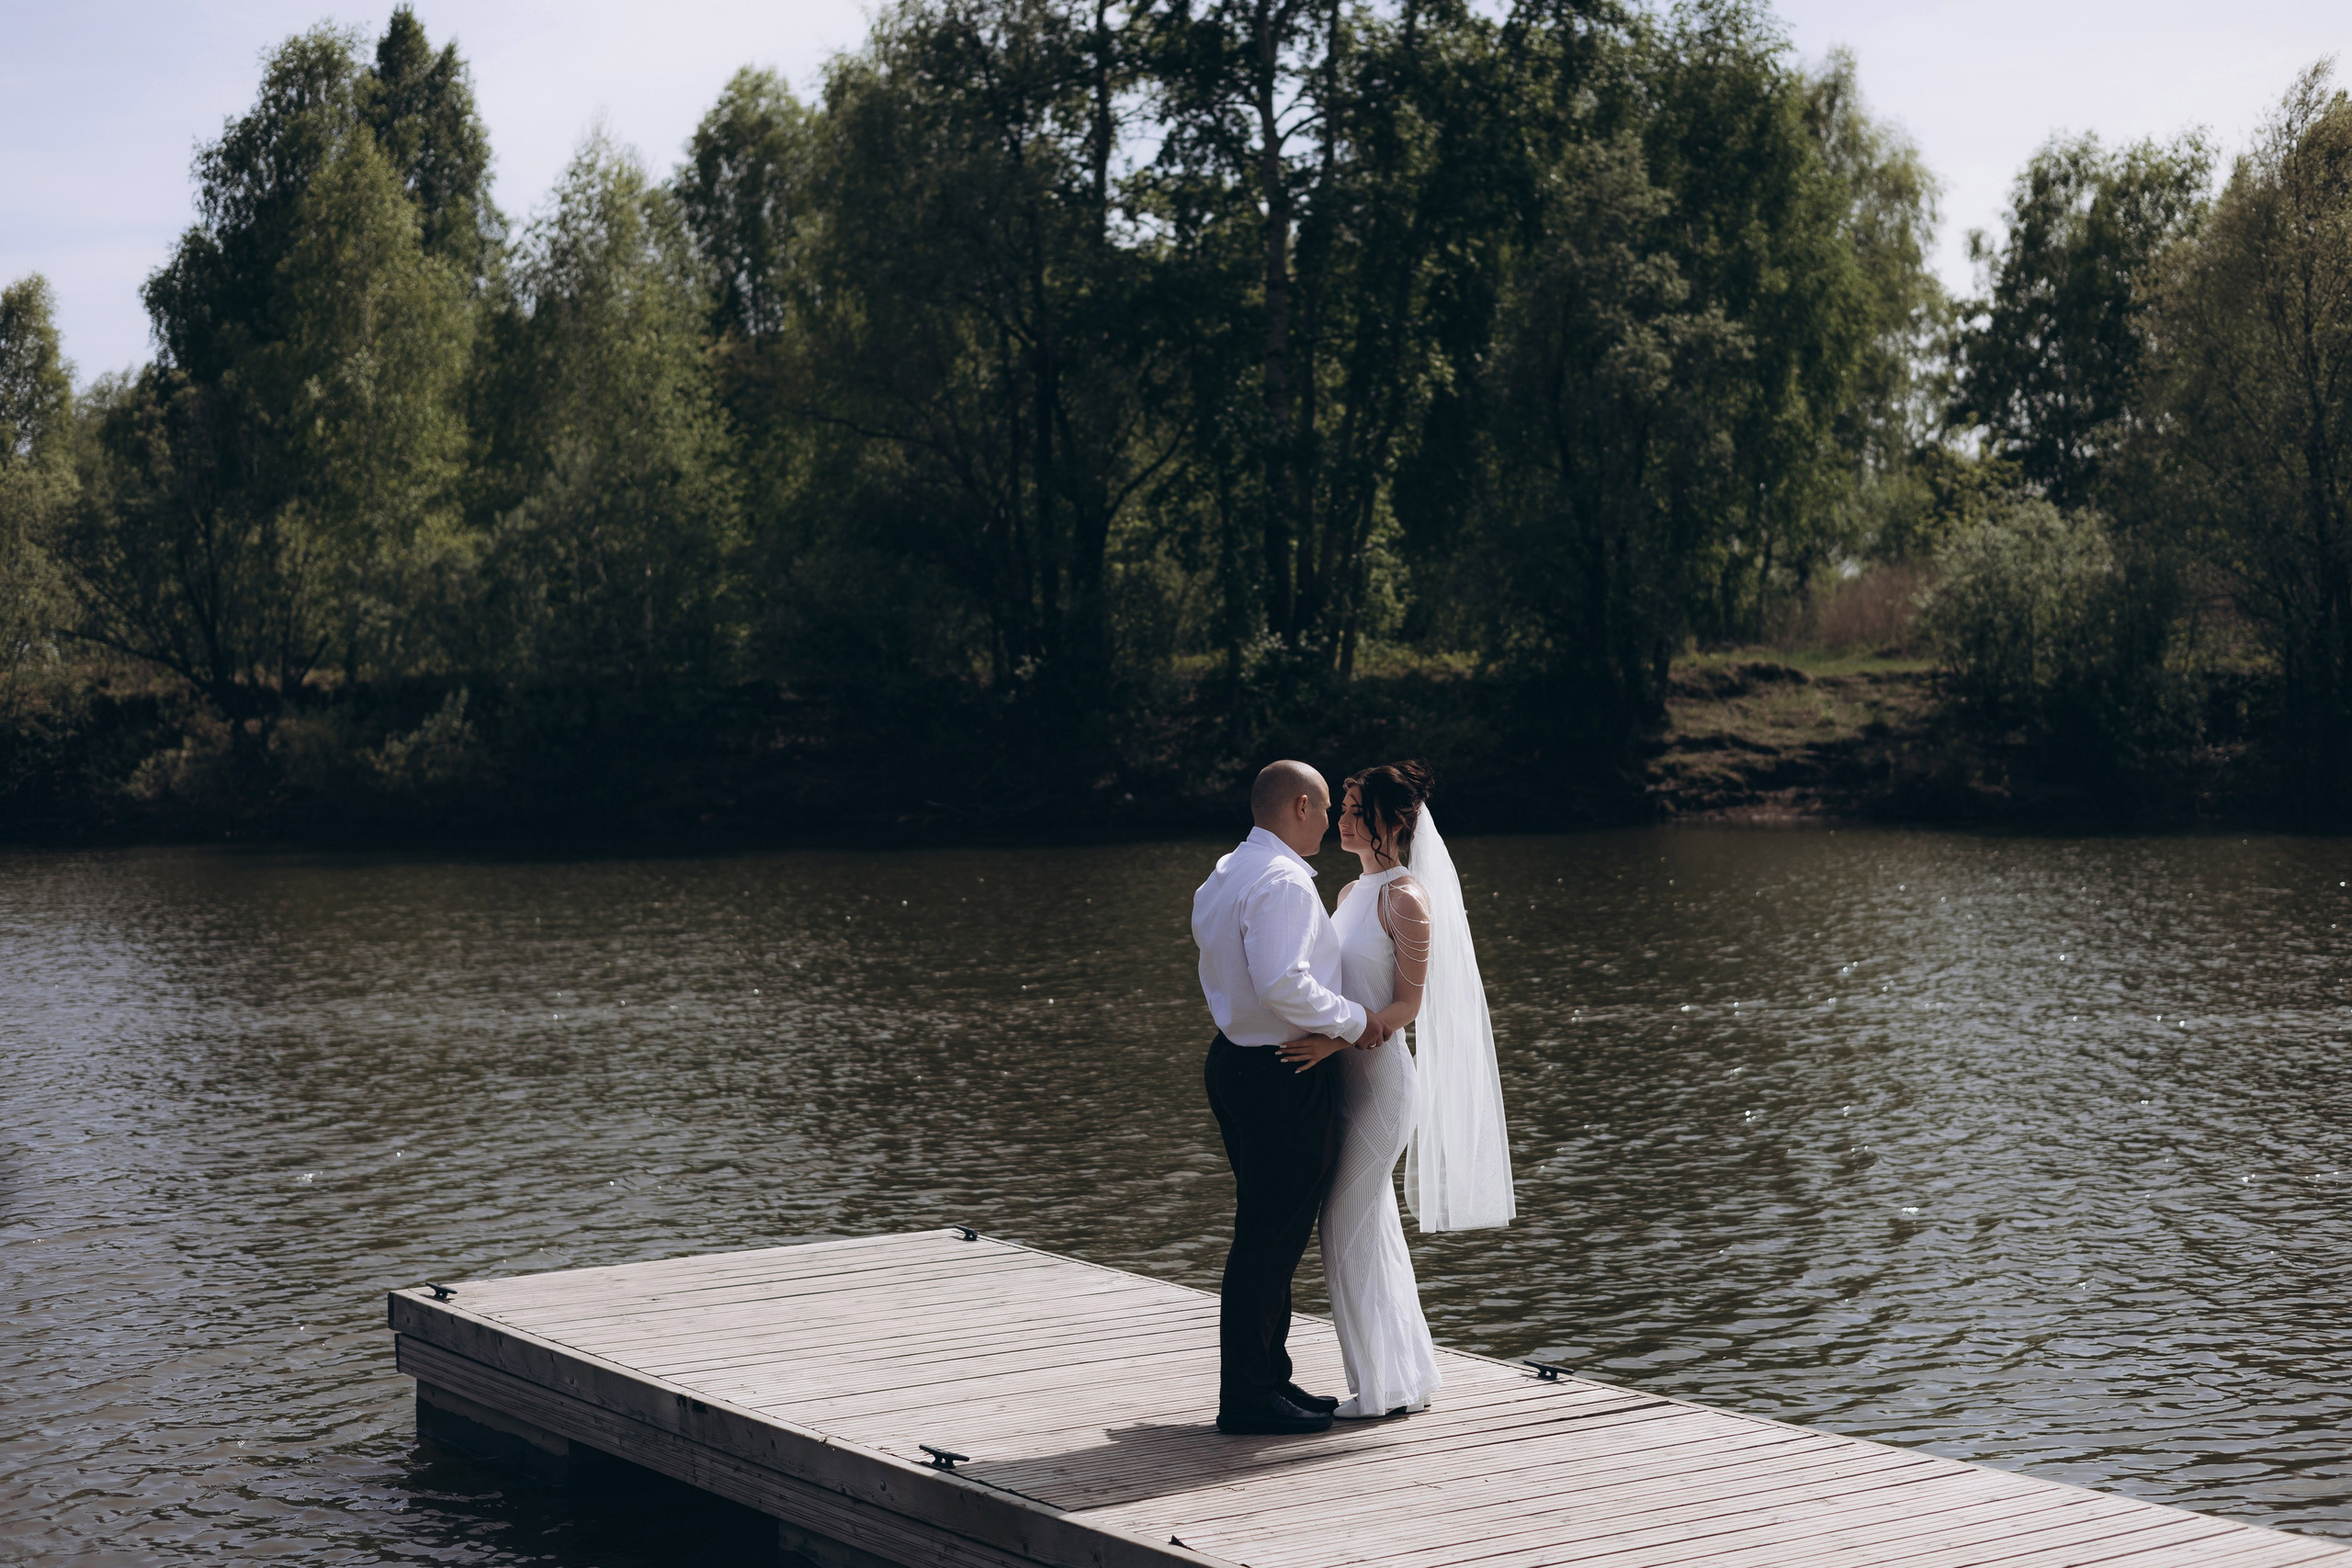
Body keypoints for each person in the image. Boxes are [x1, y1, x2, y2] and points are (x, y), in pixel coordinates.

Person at [1276, 761, 1516, 1419]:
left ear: (1393, 822)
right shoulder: (1350, 892)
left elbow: (1408, 1004)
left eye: (1358, 810)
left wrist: (1334, 1042)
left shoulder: (1404, 899)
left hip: (1381, 1087)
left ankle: (1378, 1389)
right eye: (1344, 807)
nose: (1344, 819)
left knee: (1343, 1224)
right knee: (1369, 1225)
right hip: (1342, 1083)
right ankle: (1404, 1378)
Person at [1192, 760, 1391, 1435]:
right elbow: (1284, 983)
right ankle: (1248, 1397)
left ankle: (1268, 1377)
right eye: (1328, 807)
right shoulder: (1280, 881)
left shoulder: (1229, 870)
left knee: (1267, 1229)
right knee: (1268, 1236)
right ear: (1301, 805)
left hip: (1237, 1062)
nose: (1333, 821)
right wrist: (1356, 1022)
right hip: (1279, 1070)